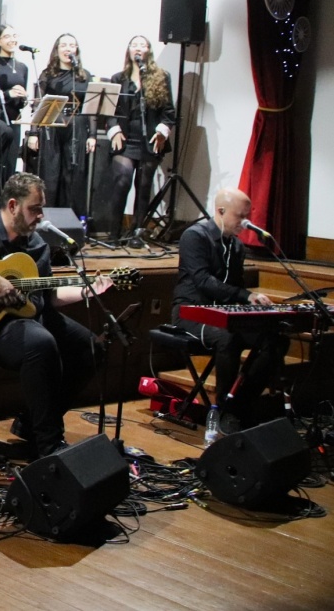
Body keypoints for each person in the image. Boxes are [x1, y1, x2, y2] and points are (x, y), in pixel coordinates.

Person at [0, 172, 111, 457]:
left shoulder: (37, 246)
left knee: (91, 347)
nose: (40, 216)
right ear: (13, 205)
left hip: (21, 318)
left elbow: (46, 297)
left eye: (41, 209)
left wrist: (86, 292)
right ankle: (50, 444)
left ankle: (31, 424)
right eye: (34, 209)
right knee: (40, 342)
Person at [172, 187, 289, 430]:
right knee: (228, 338)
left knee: (276, 339)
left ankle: (240, 404)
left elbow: (236, 285)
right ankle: (224, 410)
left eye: (247, 216)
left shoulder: (236, 246)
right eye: (240, 216)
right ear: (221, 211)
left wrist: (253, 303)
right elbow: (203, 280)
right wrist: (245, 295)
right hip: (191, 312)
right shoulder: (194, 236)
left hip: (225, 316)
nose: (245, 223)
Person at [102, 35, 175, 246]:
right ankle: (114, 233)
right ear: (129, 50)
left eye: (143, 45)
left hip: (149, 139)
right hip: (125, 139)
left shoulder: (161, 77)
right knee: (122, 180)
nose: (138, 48)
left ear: (148, 51)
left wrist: (161, 132)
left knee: (144, 185)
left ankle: (137, 233)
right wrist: (114, 129)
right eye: (134, 44)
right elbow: (108, 110)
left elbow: (169, 112)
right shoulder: (118, 78)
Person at [26, 34, 96, 216]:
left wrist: (92, 135)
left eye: (72, 45)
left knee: (73, 176)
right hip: (53, 127)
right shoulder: (47, 74)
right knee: (50, 175)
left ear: (76, 50)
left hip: (77, 128)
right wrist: (33, 133)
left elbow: (90, 107)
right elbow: (38, 104)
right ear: (56, 50)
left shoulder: (85, 75)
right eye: (63, 45)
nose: (68, 49)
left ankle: (71, 220)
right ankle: (47, 218)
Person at [0, 25, 29, 190]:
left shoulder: (22, 67)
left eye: (14, 36)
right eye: (7, 36)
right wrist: (8, 94)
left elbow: (21, 100)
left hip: (14, 119)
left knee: (10, 162)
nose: (12, 40)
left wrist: (24, 98)